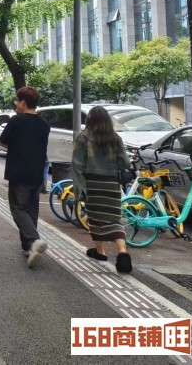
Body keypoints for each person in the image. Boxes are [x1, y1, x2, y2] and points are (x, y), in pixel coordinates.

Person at [71, 106, 133, 273]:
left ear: (90, 120)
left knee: (95, 219)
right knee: (114, 220)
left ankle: (100, 251)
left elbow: (77, 165)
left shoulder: (83, 137)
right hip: (111, 184)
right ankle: (122, 252)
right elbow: (125, 163)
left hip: (92, 184)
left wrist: (80, 189)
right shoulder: (115, 137)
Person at [0, 86, 50, 268]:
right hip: (37, 172)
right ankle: (28, 247)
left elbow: (2, 141)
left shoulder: (16, 121)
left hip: (19, 171)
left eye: (17, 100)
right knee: (31, 209)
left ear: (23, 102)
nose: (15, 103)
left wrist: (16, 145)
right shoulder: (44, 124)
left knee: (18, 208)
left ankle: (34, 240)